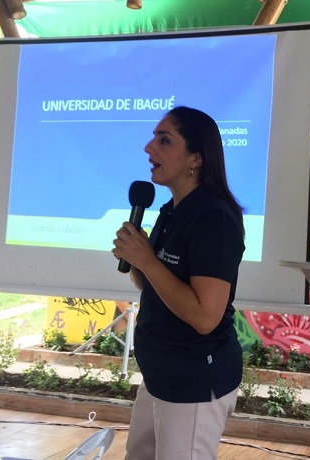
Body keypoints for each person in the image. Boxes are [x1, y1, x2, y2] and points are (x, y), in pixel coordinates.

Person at [112, 106, 245, 460]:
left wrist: (147, 259)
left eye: (164, 139)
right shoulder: (172, 210)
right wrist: (139, 256)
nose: (148, 148)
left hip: (194, 380)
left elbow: (204, 316)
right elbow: (156, 286)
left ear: (196, 158)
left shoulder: (213, 219)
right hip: (161, 375)